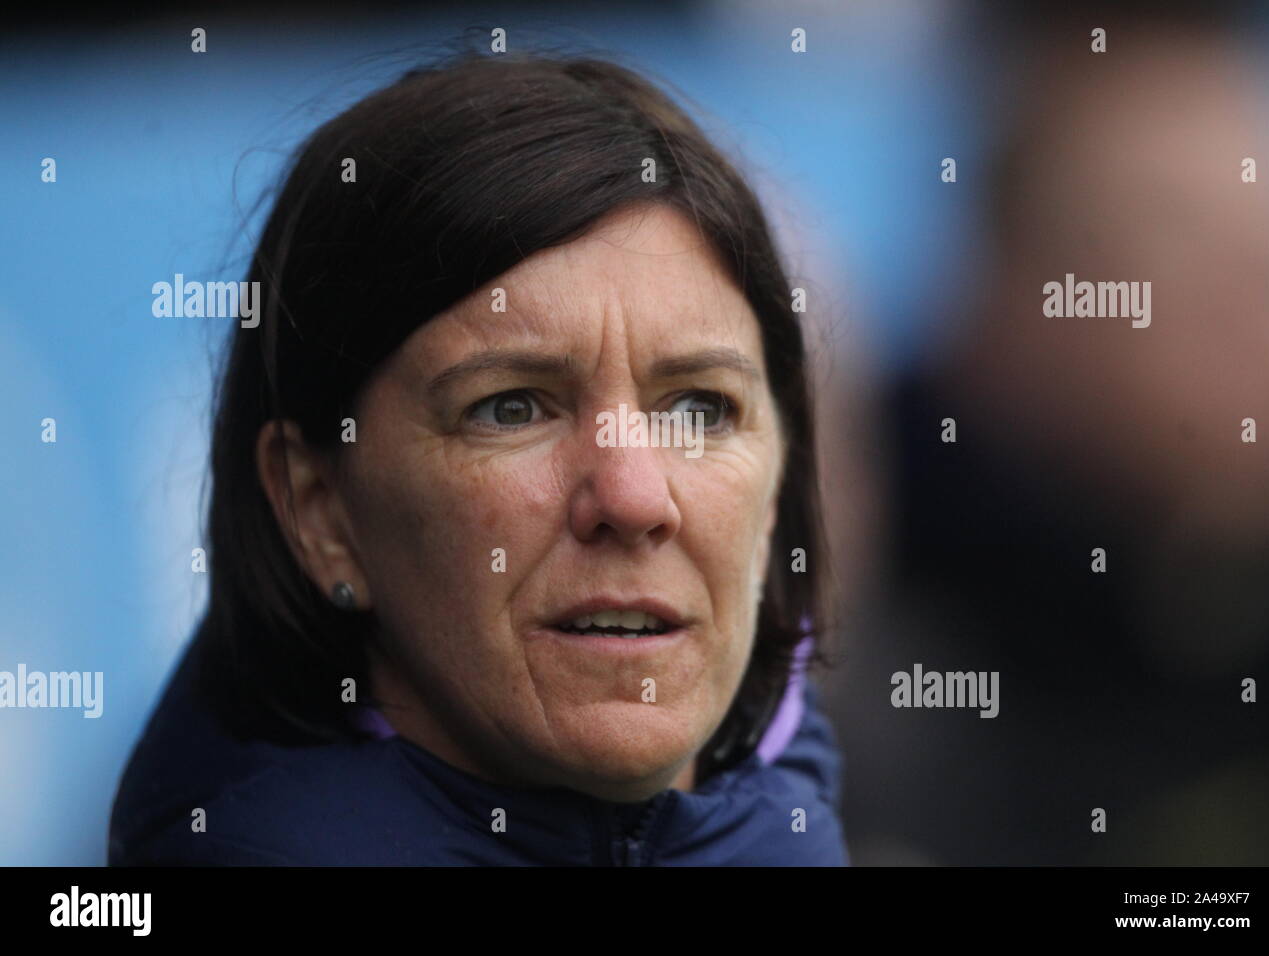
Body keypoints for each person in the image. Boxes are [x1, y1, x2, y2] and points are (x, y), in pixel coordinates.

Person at [109, 51, 849, 865]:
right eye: (510, 407)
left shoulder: (799, 822)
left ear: (778, 486)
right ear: (320, 512)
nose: (635, 497)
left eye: (701, 407)